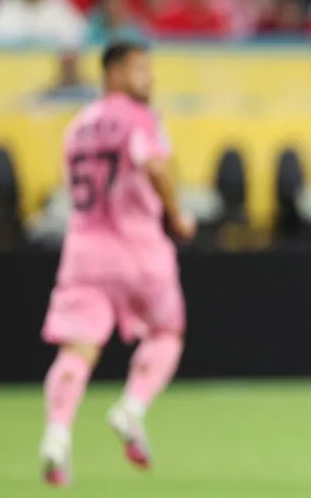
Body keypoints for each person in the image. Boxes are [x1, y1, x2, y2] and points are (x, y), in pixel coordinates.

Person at [38, 41, 195, 486]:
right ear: (114, 72)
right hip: (139, 248)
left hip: (84, 251)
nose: (150, 78)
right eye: (140, 69)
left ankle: (56, 435)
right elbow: (156, 166)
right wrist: (176, 216)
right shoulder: (140, 118)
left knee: (78, 349)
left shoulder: (77, 126)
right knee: (166, 332)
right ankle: (132, 407)